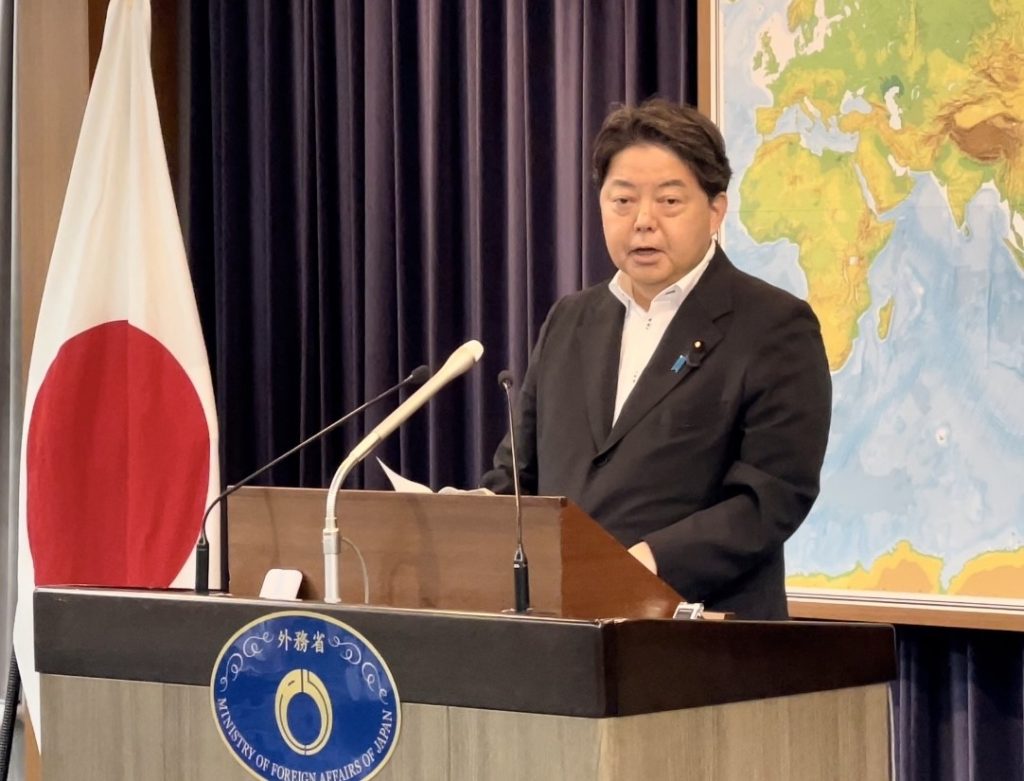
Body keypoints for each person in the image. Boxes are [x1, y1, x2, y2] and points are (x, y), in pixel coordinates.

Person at [481, 99, 832, 619]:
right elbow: (518, 474)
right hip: (558, 633)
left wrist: (644, 563)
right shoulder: (570, 320)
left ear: (716, 210)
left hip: (700, 638)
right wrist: (473, 524)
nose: (643, 222)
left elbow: (771, 496)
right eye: (622, 201)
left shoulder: (773, 326)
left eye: (669, 202)